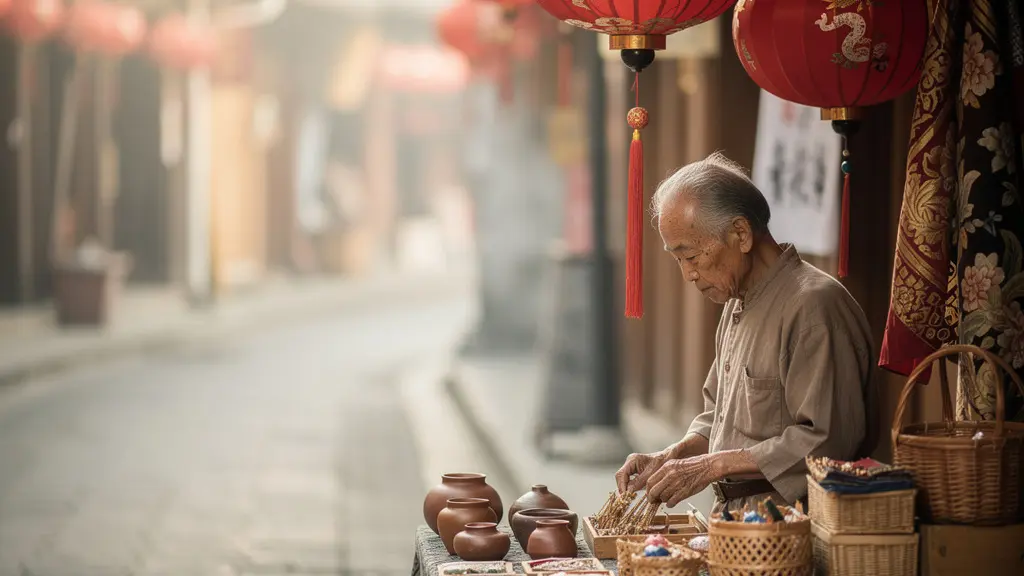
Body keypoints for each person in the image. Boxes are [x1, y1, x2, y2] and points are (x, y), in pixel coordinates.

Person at [615, 152, 877, 513]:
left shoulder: (814, 306)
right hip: (736, 522)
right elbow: (719, 416)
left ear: (740, 234)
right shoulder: (737, 301)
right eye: (678, 260)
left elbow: (828, 441)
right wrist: (673, 456)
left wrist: (714, 465)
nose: (688, 274)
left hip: (791, 524)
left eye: (691, 256)